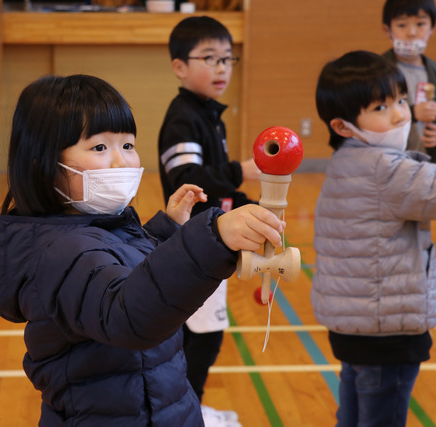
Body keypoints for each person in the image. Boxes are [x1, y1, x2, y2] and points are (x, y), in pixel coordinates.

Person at [0, 74, 286, 426]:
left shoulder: (97, 226)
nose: (121, 162)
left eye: (127, 145)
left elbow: (117, 268)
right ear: (44, 163)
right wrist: (212, 239)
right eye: (99, 148)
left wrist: (166, 231)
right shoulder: (57, 251)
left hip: (155, 408)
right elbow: (127, 313)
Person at [311, 50, 436, 426]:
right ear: (344, 125)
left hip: (358, 327)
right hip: (386, 333)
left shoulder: (347, 161)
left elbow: (359, 242)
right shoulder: (385, 168)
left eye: (400, 100)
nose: (399, 114)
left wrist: (422, 260)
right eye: (381, 107)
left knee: (354, 415)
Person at [157, 16, 259, 426]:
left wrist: (251, 204)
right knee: (200, 339)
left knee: (203, 337)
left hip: (211, 240)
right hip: (194, 246)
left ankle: (189, 408)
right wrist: (242, 170)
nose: (222, 68)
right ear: (179, 67)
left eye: (228, 59)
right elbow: (187, 181)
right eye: (210, 58)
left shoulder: (207, 115)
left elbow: (216, 186)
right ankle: (187, 413)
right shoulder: (183, 117)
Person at [381, 0, 436, 164]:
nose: (411, 32)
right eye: (402, 25)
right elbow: (364, 115)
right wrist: (412, 113)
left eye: (420, 24)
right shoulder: (376, 72)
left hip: (427, 168)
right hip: (385, 165)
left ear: (431, 29)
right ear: (387, 30)